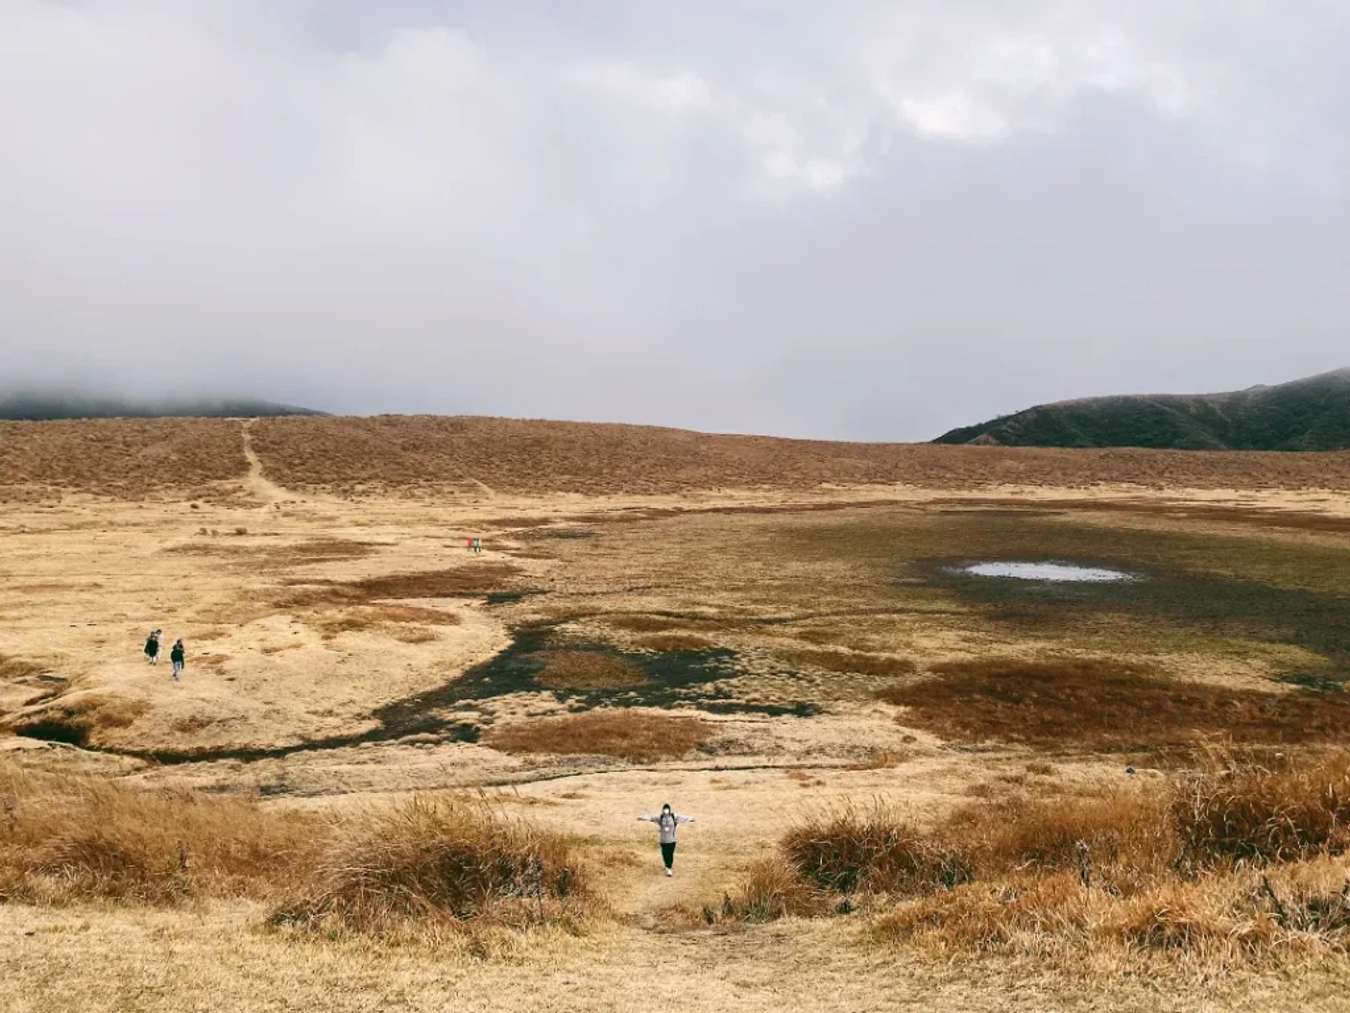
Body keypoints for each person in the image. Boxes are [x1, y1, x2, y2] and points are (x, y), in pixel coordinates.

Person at [638, 803, 695, 876]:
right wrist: (642, 818)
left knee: (670, 855)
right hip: (663, 841)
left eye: (667, 809)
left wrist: (690, 819)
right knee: (665, 854)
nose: (666, 811)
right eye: (665, 809)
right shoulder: (660, 818)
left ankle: (668, 867)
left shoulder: (674, 817)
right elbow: (651, 818)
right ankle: (668, 868)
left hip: (672, 840)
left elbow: (683, 818)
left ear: (669, 810)